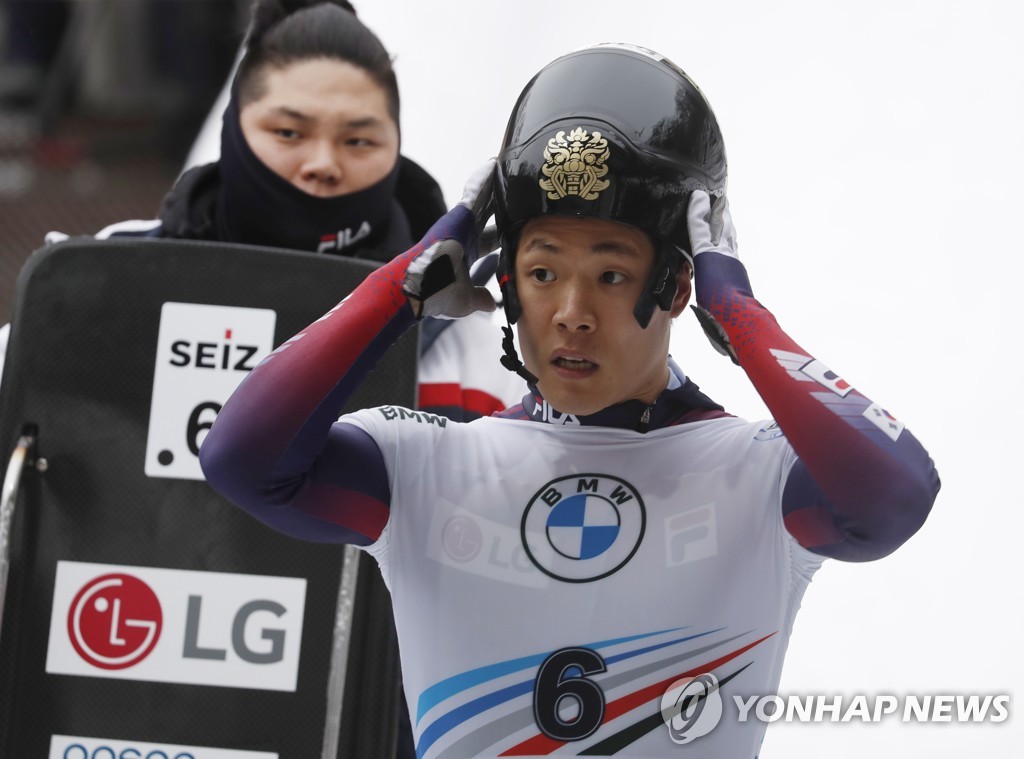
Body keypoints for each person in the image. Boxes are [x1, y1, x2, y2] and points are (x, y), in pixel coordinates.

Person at [199, 43, 940, 758]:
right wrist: (400, 289)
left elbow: (895, 496)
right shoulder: (427, 464)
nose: (572, 312)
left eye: (612, 276)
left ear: (679, 286)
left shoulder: (756, 473)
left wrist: (742, 319)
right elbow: (241, 458)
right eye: (543, 271)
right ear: (504, 276)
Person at [0, 0, 524, 417]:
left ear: (396, 146)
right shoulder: (108, 278)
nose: (323, 162)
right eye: (288, 132)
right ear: (234, 129)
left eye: (359, 141)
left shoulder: (468, 330)